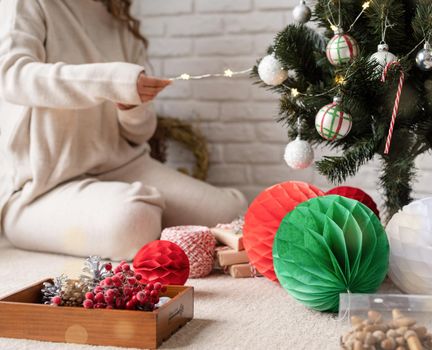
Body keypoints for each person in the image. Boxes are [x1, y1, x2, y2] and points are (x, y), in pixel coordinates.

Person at [0, 0, 247, 260]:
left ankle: (133, 215)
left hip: (122, 166)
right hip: (41, 188)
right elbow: (11, 76)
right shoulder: (29, 3)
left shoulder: (121, 24)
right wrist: (109, 80)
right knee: (135, 220)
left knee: (233, 213)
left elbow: (139, 133)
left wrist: (131, 107)